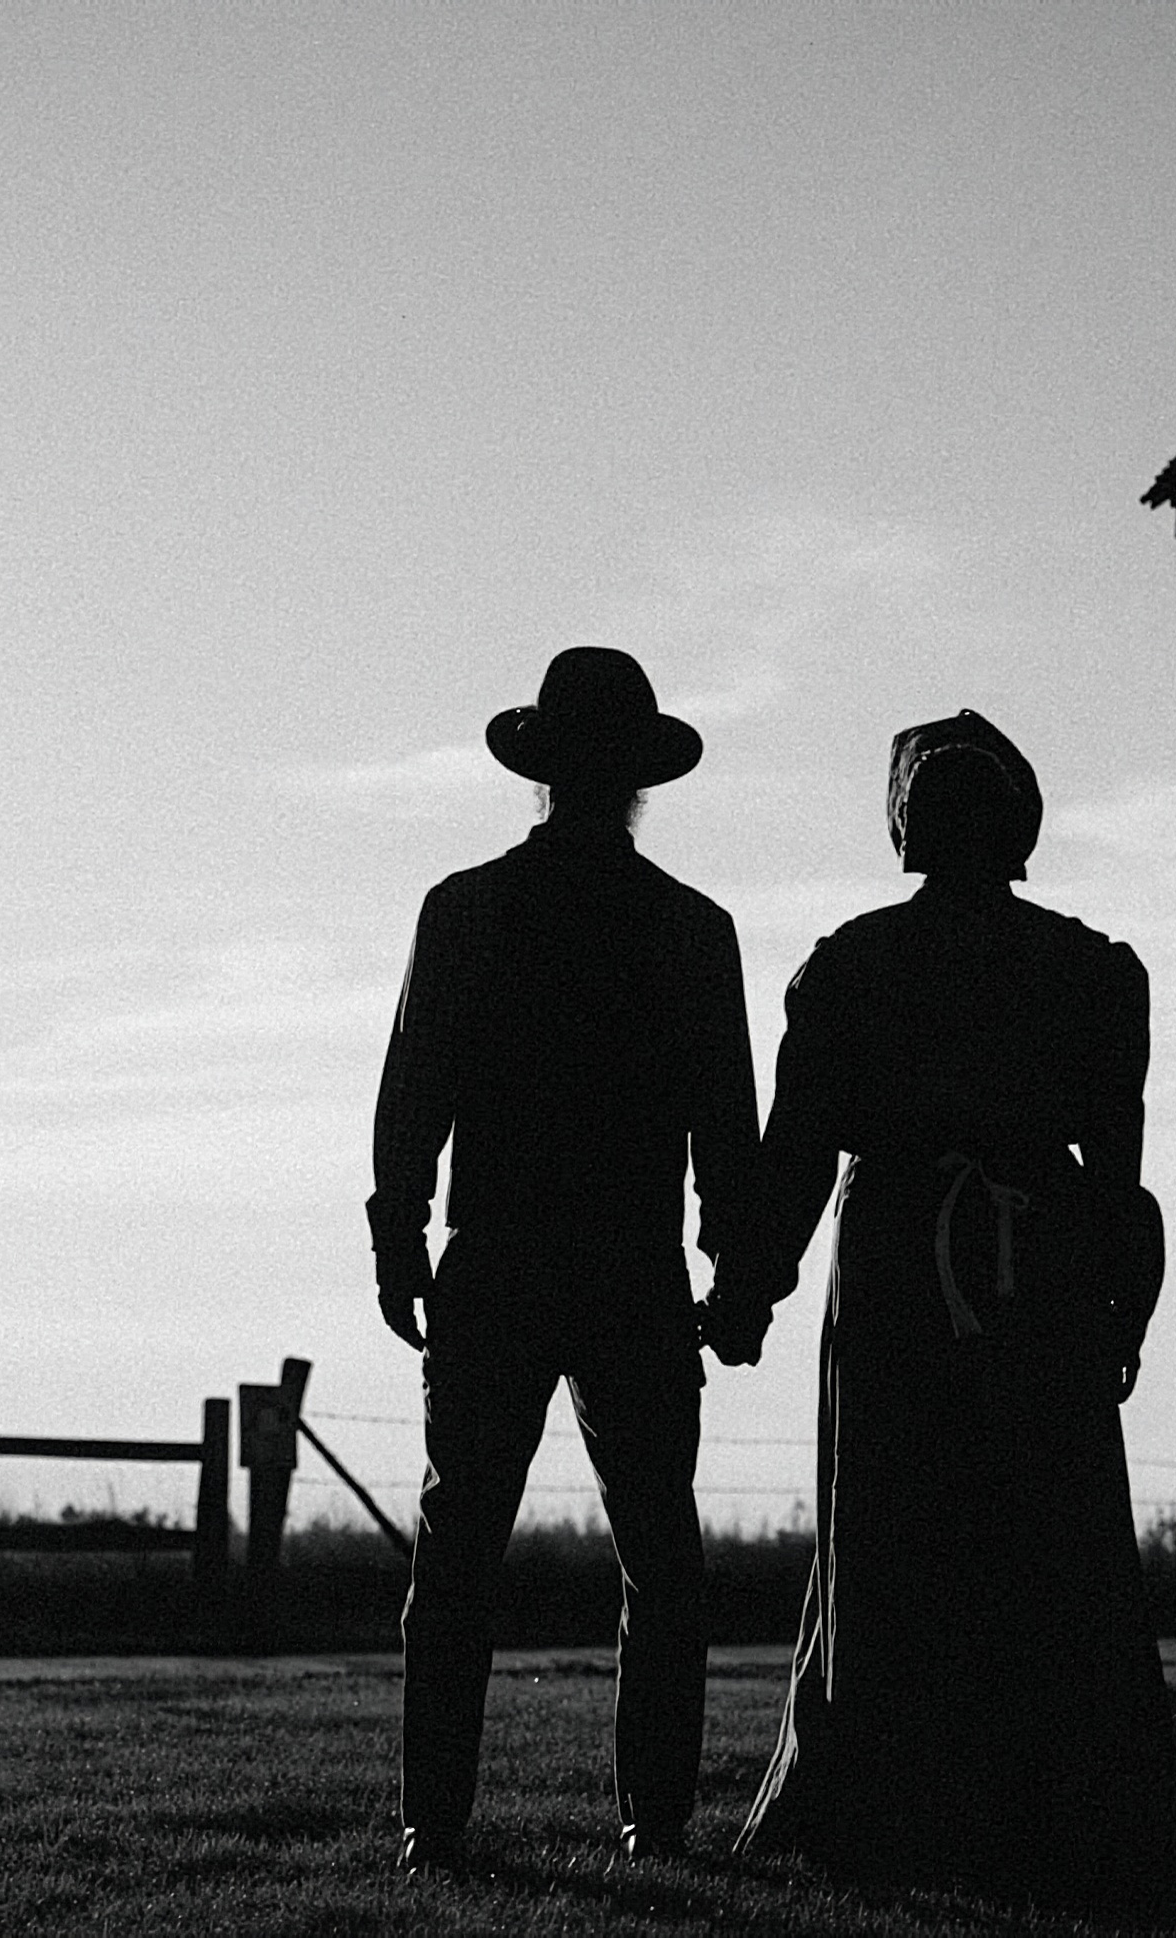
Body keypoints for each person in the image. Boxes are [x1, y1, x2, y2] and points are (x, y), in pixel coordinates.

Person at [703, 709, 1176, 1904]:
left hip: (906, 1279)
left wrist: (747, 1289)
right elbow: (1120, 1177)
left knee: (901, 1525)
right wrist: (1116, 1303)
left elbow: (798, 1155)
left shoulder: (854, 964)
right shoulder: (1090, 970)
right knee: (1034, 1532)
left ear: (907, 830)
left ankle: (903, 1809)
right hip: (1032, 1277)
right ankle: (1056, 1809)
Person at [368, 646, 759, 1877]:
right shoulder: (690, 930)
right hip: (628, 1271)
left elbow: (413, 1086)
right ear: (637, 778)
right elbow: (724, 1128)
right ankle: (653, 1818)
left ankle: (435, 1823)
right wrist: (736, 1273)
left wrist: (399, 1232)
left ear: (539, 771)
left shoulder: (470, 908)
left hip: (498, 1259)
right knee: (659, 1553)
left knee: (460, 1544)